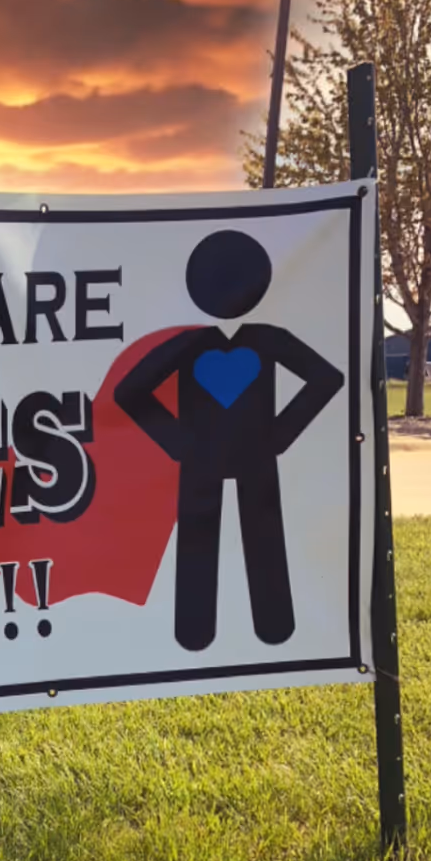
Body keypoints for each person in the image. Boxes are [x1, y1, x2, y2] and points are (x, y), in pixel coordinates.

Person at [114, 230, 343, 651]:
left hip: (246, 455)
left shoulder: (258, 339)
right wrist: (177, 442)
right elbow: (129, 392)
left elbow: (327, 378)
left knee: (263, 534)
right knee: (203, 537)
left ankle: (271, 630)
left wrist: (280, 433)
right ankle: (198, 634)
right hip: (208, 457)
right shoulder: (192, 342)